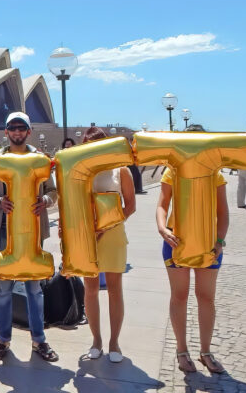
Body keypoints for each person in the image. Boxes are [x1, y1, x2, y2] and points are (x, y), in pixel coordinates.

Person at [0, 112, 59, 363]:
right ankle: (3, 340)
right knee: (4, 289)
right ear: (6, 132)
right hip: (6, 230)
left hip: (33, 229)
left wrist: (44, 201)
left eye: (21, 128)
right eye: (12, 128)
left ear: (29, 131)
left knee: (34, 288)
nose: (17, 132)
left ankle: (39, 340)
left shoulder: (40, 160)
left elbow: (53, 191)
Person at [156, 124, 229, 374]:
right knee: (179, 296)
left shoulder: (214, 173)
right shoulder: (173, 171)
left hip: (209, 245)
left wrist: (219, 242)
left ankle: (206, 351)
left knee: (206, 297)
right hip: (176, 242)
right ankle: (181, 350)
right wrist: (162, 228)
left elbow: (223, 212)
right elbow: (162, 204)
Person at [80, 126, 136, 363]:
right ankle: (96, 340)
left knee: (114, 289)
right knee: (90, 290)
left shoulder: (120, 170)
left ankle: (114, 342)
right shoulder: (82, 171)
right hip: (87, 235)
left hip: (112, 234)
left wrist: (106, 225)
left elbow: (130, 206)